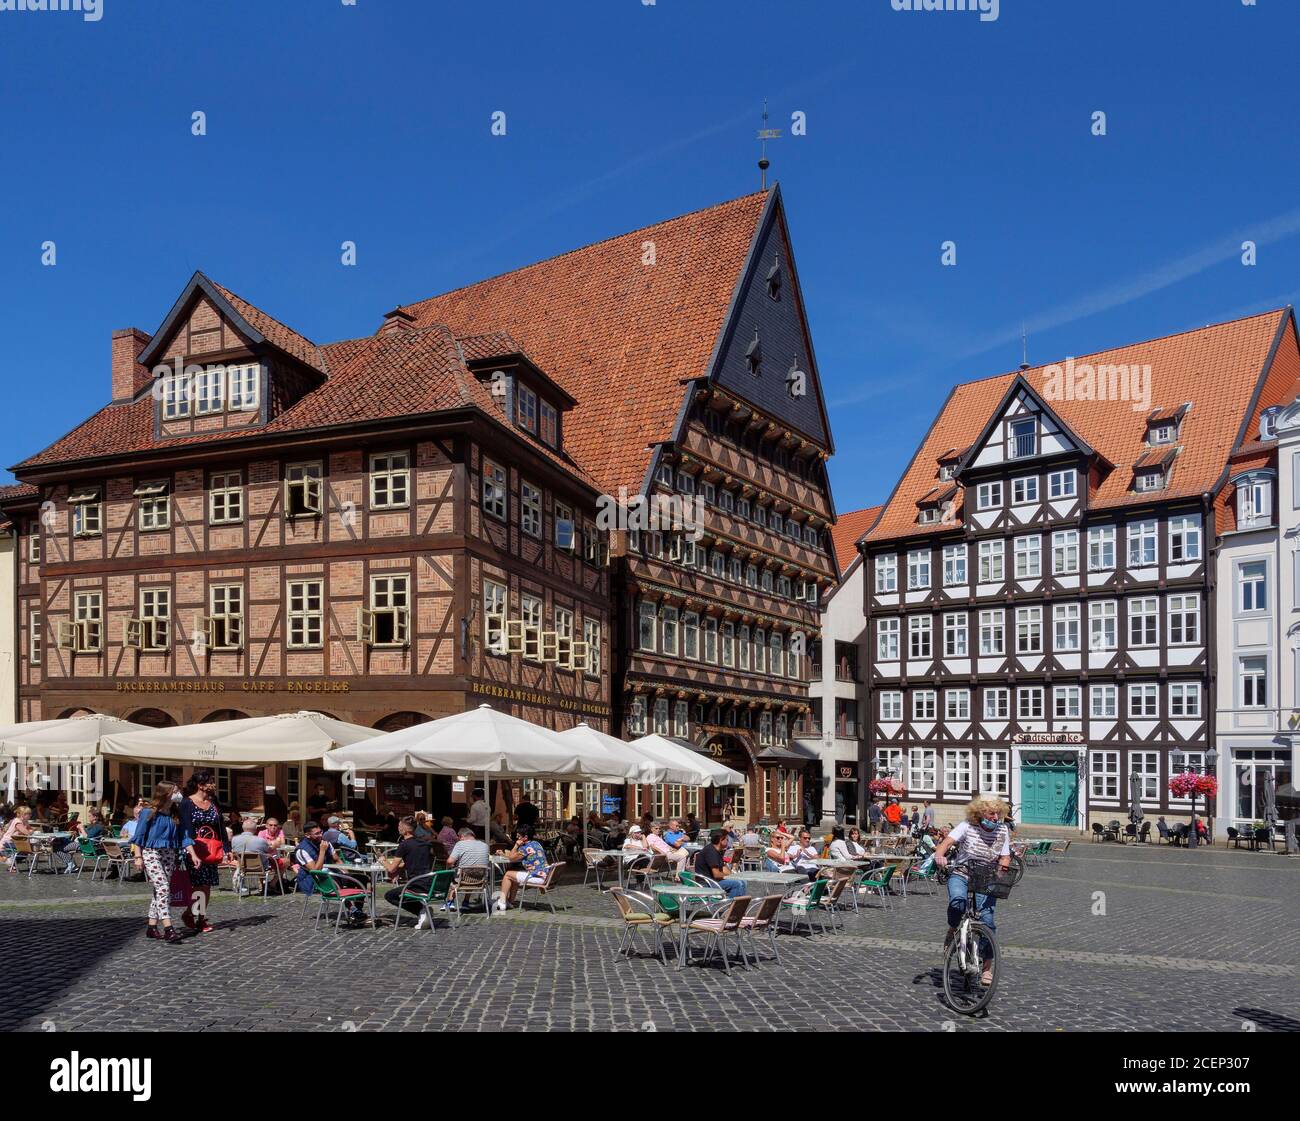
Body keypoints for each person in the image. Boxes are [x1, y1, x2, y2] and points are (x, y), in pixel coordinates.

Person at [933, 798, 1012, 986]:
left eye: (997, 814)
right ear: (979, 813)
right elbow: (947, 842)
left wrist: (1002, 870)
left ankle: (986, 969)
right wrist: (939, 855)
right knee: (958, 902)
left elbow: (1005, 856)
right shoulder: (967, 826)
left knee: (988, 922)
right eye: (991, 813)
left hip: (986, 880)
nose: (995, 817)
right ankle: (953, 929)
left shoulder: (1003, 830)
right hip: (962, 873)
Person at [131, 782, 186, 943]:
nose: (178, 794)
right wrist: (138, 856)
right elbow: (139, 836)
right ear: (165, 793)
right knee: (163, 887)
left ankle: (152, 927)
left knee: (159, 890)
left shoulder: (174, 813)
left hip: (169, 852)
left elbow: (181, 835)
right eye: (175, 791)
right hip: (151, 852)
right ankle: (168, 927)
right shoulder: (149, 812)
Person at [177, 771, 230, 934]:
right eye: (210, 781)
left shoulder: (213, 802)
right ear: (200, 785)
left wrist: (227, 848)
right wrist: (190, 850)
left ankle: (194, 915)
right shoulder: (187, 803)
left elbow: (220, 827)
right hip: (193, 849)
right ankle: (195, 916)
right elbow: (184, 827)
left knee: (206, 886)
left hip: (211, 849)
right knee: (199, 885)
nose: (213, 784)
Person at [295, 820, 367, 922]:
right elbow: (316, 870)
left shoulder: (325, 843)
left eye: (321, 832)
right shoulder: (302, 850)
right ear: (307, 835)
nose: (321, 835)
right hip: (314, 879)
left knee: (361, 879)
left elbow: (337, 860)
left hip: (332, 874)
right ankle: (353, 909)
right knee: (333, 882)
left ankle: (357, 911)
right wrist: (322, 851)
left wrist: (346, 873)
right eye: (317, 834)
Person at [383, 816, 435, 927]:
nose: (398, 828)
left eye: (399, 826)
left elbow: (391, 868)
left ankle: (421, 910)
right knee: (400, 892)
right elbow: (415, 861)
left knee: (390, 895)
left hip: (416, 885)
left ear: (405, 830)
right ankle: (423, 910)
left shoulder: (404, 845)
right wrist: (399, 870)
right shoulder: (424, 843)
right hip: (430, 883)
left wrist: (382, 860)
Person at [494, 828, 548, 912]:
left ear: (525, 837)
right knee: (514, 875)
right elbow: (514, 855)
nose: (517, 839)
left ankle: (502, 902)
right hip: (543, 874)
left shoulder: (525, 848)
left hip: (536, 876)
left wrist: (516, 845)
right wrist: (503, 854)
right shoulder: (535, 843)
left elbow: (512, 858)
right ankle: (509, 902)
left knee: (508, 875)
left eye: (519, 837)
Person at [695, 829, 746, 899]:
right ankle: (731, 906)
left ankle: (739, 906)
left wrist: (734, 875)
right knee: (737, 884)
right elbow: (717, 874)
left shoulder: (717, 851)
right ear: (721, 840)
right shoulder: (711, 852)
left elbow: (724, 869)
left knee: (743, 881)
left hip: (713, 881)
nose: (728, 841)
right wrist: (730, 877)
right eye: (727, 839)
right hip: (706, 884)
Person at [1, 806, 33, 870]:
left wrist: (30, 831)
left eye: (30, 813)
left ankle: (11, 863)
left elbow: (30, 829)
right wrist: (30, 831)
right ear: (22, 814)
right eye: (27, 814)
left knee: (27, 850)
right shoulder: (17, 822)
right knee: (26, 850)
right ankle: (11, 864)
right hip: (7, 844)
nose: (29, 815)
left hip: (14, 842)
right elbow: (28, 832)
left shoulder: (25, 821)